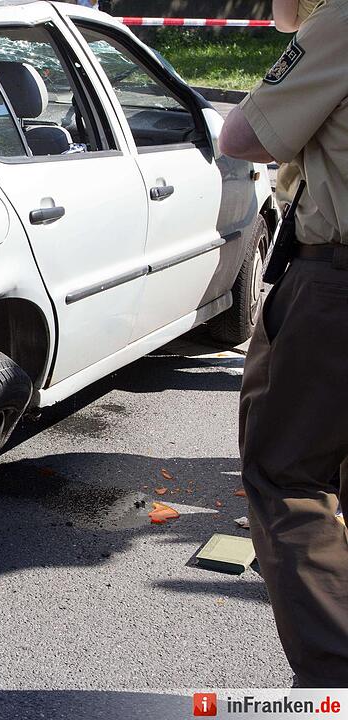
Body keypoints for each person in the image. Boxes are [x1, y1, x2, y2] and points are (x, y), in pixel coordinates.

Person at [220, 0, 348, 688]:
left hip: (336, 290)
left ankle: (336, 681)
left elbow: (243, 136)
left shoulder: (343, 24)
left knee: (286, 475)